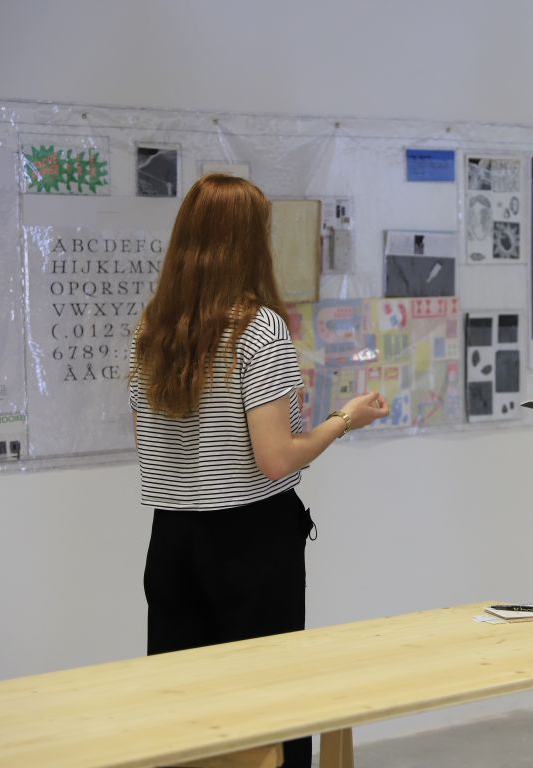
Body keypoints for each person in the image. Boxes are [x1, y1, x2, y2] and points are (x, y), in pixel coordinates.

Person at [129, 174, 387, 768]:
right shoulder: (259, 328)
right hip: (248, 542)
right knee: (271, 710)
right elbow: (275, 459)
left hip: (172, 539)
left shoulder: (154, 327)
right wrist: (343, 420)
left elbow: (151, 443)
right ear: (248, 241)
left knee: (185, 716)